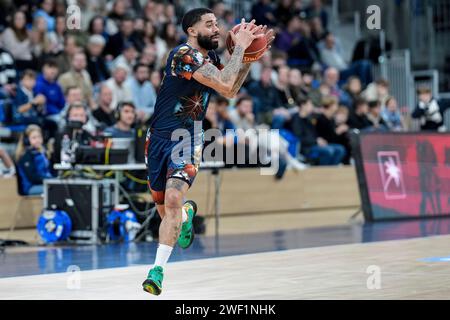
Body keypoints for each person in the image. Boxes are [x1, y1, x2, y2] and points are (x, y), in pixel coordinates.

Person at [142, 8, 273, 295]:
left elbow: (230, 89)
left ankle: (157, 272)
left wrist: (249, 57)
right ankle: (186, 216)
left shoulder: (211, 57)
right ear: (192, 30)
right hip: (158, 139)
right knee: (168, 213)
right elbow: (225, 82)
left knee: (174, 199)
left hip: (188, 139)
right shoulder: (183, 56)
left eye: (217, 23)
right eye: (209, 24)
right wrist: (240, 48)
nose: (217, 28)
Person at [286, 97, 345, 165]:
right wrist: (315, 141)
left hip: (314, 144)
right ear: (303, 105)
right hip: (306, 148)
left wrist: (319, 139)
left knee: (340, 149)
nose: (312, 106)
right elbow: (299, 137)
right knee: (329, 151)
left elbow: (314, 134)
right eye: (310, 104)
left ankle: (332, 171)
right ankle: (322, 171)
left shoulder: (308, 119)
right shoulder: (296, 120)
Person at [16, 125, 53, 195]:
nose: (37, 140)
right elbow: (33, 178)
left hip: (45, 183)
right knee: (56, 189)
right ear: (26, 140)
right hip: (31, 187)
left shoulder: (42, 153)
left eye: (39, 137)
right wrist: (50, 180)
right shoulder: (25, 156)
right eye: (34, 138)